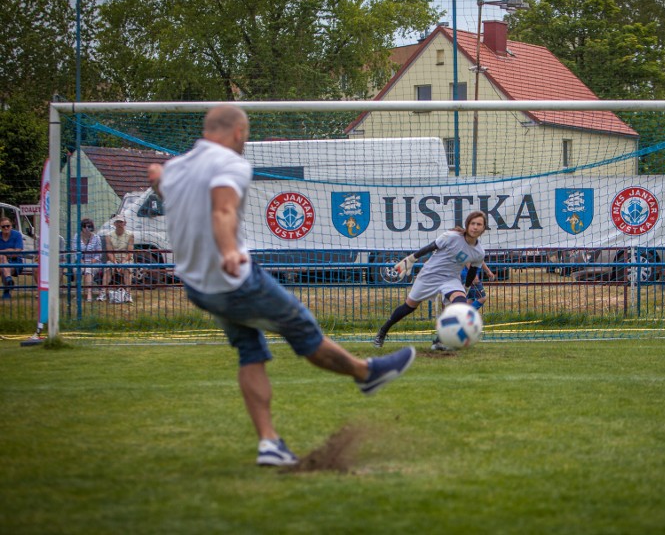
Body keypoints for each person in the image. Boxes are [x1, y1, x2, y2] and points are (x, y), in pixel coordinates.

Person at [147, 104, 415, 468]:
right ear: (238, 133)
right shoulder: (231, 163)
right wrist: (228, 250)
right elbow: (222, 210)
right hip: (235, 279)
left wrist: (157, 180)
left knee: (250, 350)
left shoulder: (177, 168)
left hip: (198, 286)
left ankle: (269, 443)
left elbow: (172, 191)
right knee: (303, 330)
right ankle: (367, 374)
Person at [373, 210, 488, 351]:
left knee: (460, 305)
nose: (475, 227)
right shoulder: (451, 237)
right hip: (429, 275)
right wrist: (411, 259)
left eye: (479, 224)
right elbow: (431, 247)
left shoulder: (479, 252)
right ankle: (382, 332)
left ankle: (440, 341)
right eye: (473, 223)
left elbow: (472, 272)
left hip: (451, 279)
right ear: (467, 224)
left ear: (483, 228)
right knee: (409, 306)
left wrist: (466, 288)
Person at [100, 214, 135, 303]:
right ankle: (103, 292)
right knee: (108, 268)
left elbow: (130, 252)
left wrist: (123, 262)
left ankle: (128, 294)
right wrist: (115, 262)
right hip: (113, 258)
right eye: (117, 222)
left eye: (121, 222)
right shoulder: (108, 235)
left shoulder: (130, 235)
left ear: (125, 223)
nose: (119, 224)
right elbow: (109, 252)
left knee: (127, 268)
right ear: (114, 224)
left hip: (126, 258)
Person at [72, 218, 103, 302]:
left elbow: (99, 253)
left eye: (89, 227)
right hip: (80, 262)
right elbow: (75, 252)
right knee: (76, 270)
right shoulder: (76, 237)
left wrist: (91, 262)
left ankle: (89, 294)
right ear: (81, 227)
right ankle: (77, 293)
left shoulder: (96, 238)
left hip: (94, 262)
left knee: (88, 270)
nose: (87, 229)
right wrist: (81, 262)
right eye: (84, 226)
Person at [0, 218, 24, 299]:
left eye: (8, 226)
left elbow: (17, 252)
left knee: (2, 263)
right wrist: (9, 251)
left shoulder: (17, 235)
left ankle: (6, 290)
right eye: (3, 226)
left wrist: (3, 252)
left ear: (11, 226)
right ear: (0, 227)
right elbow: (14, 251)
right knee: (2, 262)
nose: (6, 228)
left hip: (16, 262)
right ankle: (8, 280)